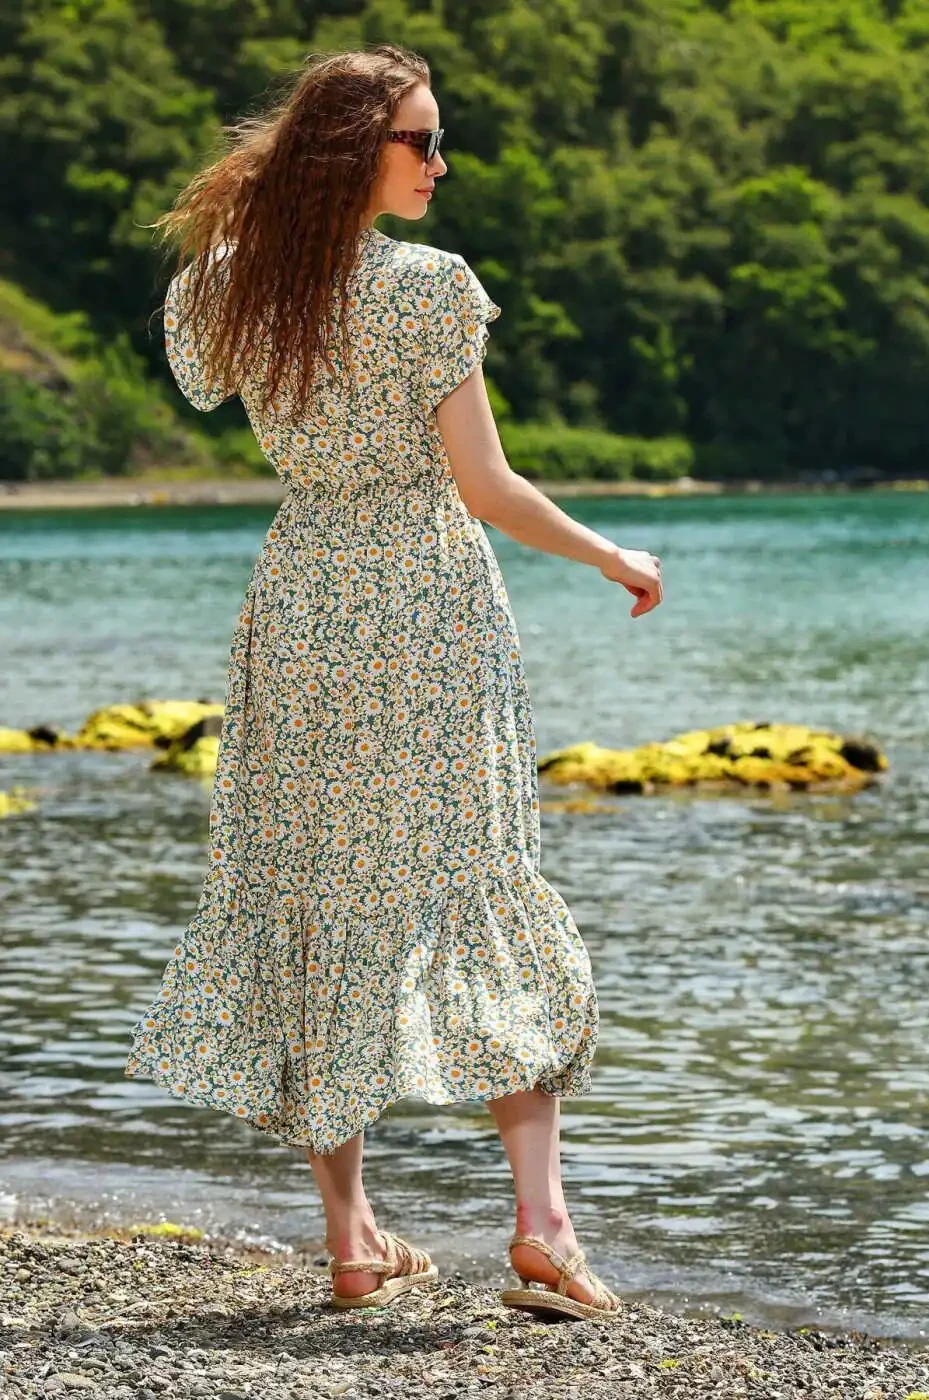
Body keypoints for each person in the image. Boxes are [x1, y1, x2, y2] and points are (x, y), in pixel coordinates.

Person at [123, 43, 663, 1319]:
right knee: (477, 880)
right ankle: (543, 1226)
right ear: (352, 148)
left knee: (315, 898)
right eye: (420, 139)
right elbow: (487, 487)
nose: (439, 163)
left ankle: (351, 1235)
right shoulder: (428, 288)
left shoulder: (230, 285)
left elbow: (207, 353)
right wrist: (611, 554)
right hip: (425, 603)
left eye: (436, 140)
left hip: (303, 604)